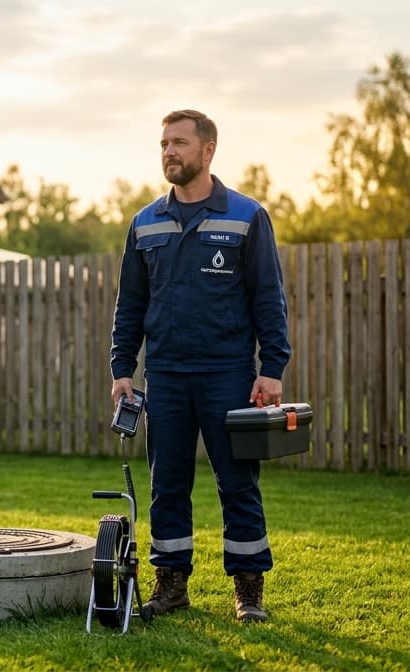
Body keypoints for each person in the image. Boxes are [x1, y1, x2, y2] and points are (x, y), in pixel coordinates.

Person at [109, 109, 291, 623]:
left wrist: (271, 368)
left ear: (208, 151)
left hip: (228, 375)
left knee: (237, 482)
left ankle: (248, 590)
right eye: (164, 143)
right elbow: (130, 305)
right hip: (165, 375)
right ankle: (171, 585)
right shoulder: (145, 223)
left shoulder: (246, 216)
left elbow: (268, 298)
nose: (169, 151)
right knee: (167, 484)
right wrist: (122, 369)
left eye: (179, 143)